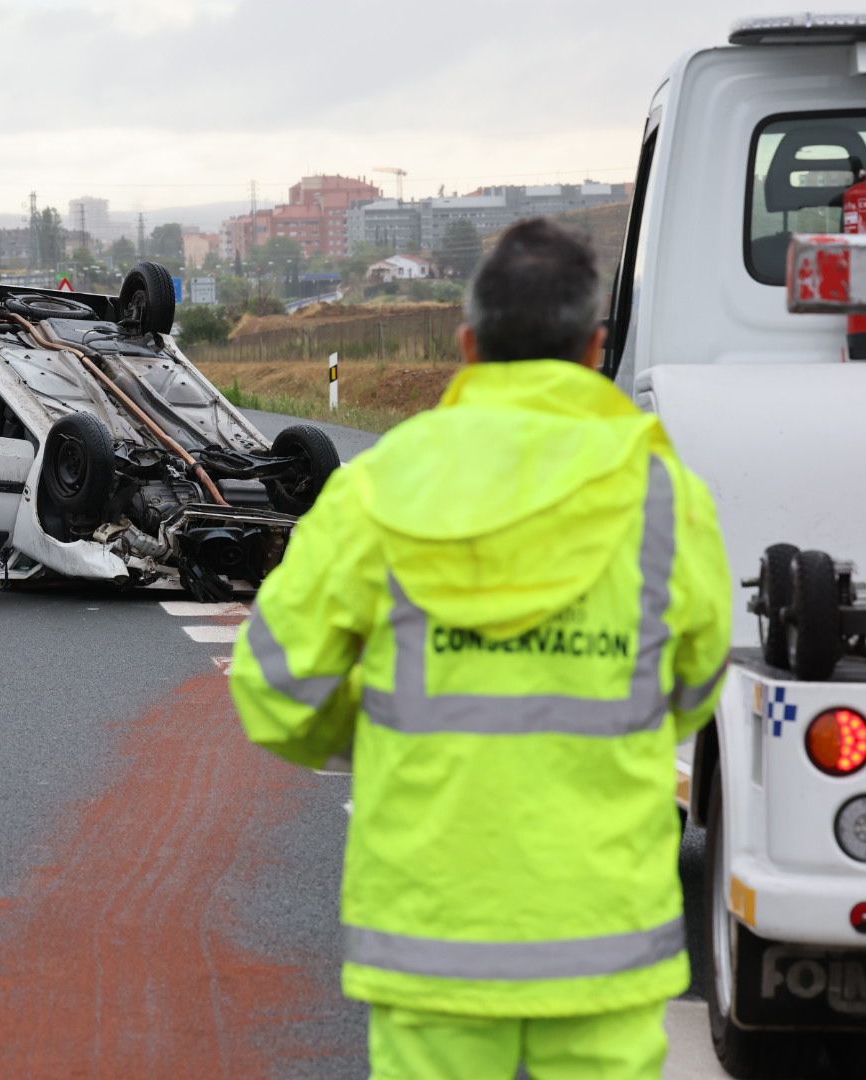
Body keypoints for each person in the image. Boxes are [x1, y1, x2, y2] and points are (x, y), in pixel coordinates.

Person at [230, 218, 731, 1079]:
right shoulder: (661, 494)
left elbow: (277, 688)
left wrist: (378, 735)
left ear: (465, 344)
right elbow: (694, 686)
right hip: (602, 934)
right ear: (595, 348)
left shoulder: (379, 486)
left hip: (432, 937)